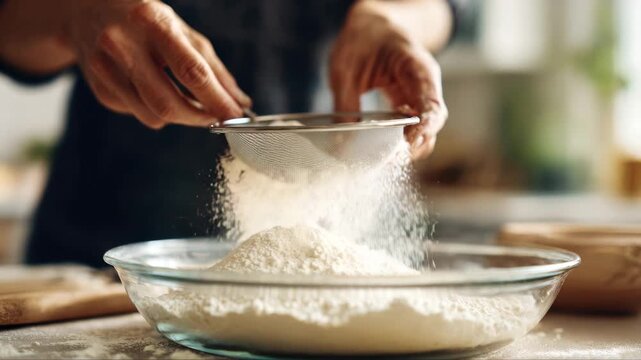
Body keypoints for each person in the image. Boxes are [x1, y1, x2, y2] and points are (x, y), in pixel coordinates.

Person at [0, 0, 453, 267]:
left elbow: (443, 6)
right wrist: (80, 13)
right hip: (102, 263)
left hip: (325, 245)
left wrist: (393, 16)